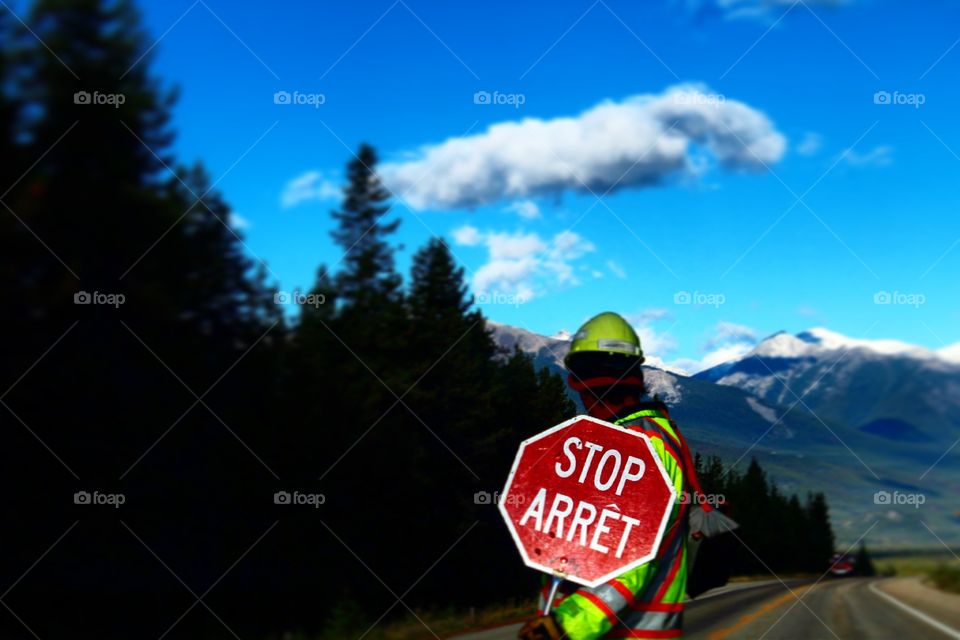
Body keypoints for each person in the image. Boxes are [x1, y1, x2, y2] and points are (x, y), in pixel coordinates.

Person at [519, 311, 692, 640]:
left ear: (579, 381)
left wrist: (564, 626)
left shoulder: (639, 446)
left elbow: (631, 557)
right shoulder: (636, 439)